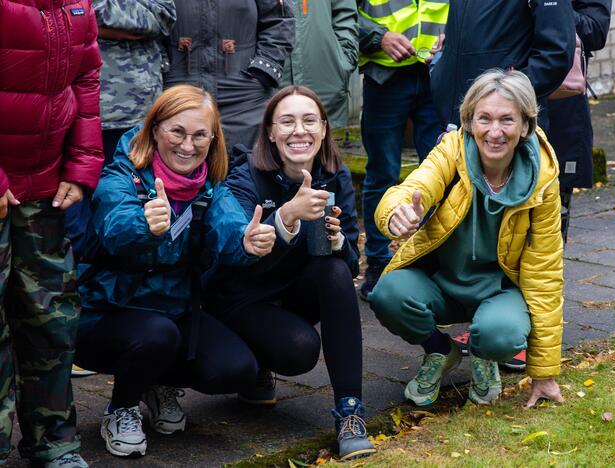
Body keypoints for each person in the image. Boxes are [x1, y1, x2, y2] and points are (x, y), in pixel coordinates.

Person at [74, 85, 276, 458]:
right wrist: (145, 225)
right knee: (157, 335)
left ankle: (156, 383)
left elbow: (229, 226)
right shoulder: (122, 174)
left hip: (174, 310)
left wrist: (247, 242)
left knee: (235, 369)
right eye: (177, 132)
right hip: (109, 313)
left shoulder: (209, 184)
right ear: (154, 129)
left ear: (213, 139)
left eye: (200, 135)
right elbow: (115, 229)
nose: (188, 145)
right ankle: (121, 408)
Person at [370, 69, 565, 409]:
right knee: (388, 293)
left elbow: (545, 274)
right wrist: (397, 213)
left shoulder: (543, 181)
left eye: (507, 120)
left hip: (500, 293)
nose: (494, 131)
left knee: (501, 333)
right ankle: (441, 351)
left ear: (525, 125)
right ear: (469, 121)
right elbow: (414, 188)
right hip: (442, 283)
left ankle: (483, 354)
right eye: (484, 118)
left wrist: (544, 372)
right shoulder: (452, 151)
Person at [206, 86, 376, 461]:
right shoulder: (245, 176)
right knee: (298, 350)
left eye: (309, 120)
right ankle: (256, 363)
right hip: (242, 300)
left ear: (324, 128)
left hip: (293, 297)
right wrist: (286, 216)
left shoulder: (333, 175)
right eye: (287, 121)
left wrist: (337, 244)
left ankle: (350, 413)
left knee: (332, 269)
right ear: (270, 131)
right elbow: (237, 256)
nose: (299, 131)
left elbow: (348, 267)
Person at [0, 0, 103, 466]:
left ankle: (54, 443)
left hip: (45, 188)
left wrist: (82, 165)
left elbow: (86, 78)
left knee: (53, 320)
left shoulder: (79, 6)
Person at [65, 0, 177, 267]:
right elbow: (64, 14)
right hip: (77, 110)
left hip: (137, 113)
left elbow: (162, 18)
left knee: (131, 209)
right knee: (73, 216)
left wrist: (90, 22)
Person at [356, 0, 448, 300]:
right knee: (382, 173)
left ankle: (433, 262)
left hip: (438, 74)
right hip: (384, 78)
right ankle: (378, 262)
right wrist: (379, 37)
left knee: (444, 173)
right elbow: (341, 14)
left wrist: (455, 36)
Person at [163, 0, 295, 152]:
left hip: (244, 90)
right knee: (180, 157)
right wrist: (162, 67)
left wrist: (263, 70)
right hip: (177, 84)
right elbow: (150, 19)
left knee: (246, 162)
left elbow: (279, 20)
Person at [430, 0, 575, 132]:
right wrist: (439, 66)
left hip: (505, 122)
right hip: (451, 117)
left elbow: (557, 52)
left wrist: (508, 92)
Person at [547, 0, 611, 242]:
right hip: (503, 97)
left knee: (554, 201)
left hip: (560, 101)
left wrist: (549, 6)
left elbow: (596, 30)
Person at [280, 0, 358, 130]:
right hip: (268, 83)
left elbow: (345, 12)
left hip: (325, 80)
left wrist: (345, 58)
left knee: (322, 145)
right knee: (266, 144)